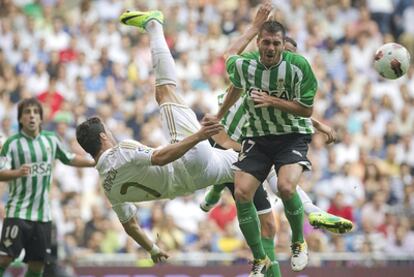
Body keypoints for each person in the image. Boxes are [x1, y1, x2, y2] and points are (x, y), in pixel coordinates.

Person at [76, 10, 233, 265]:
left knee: (252, 162)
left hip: (193, 184)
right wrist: (198, 136)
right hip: (189, 160)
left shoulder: (107, 187)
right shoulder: (120, 151)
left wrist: (152, 248)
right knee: (164, 92)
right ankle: (153, 24)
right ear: (104, 137)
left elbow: (131, 226)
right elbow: (160, 158)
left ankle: (305, 207)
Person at [202, 0, 320, 273]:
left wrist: (272, 101)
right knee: (242, 193)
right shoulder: (247, 66)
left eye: (276, 44)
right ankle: (259, 258)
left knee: (287, 188)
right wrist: (254, 26)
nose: (271, 48)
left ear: (282, 45)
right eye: (265, 42)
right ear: (258, 43)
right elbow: (230, 55)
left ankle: (298, 242)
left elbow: (307, 109)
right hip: (256, 135)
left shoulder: (298, 66)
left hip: (290, 135)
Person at [0, 98, 95, 277]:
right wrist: (16, 173)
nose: (32, 116)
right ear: (20, 119)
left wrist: (93, 162)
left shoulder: (51, 140)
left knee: (37, 264)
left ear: (42, 118)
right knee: (5, 259)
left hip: (43, 215)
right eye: (27, 112)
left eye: (36, 112)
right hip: (17, 212)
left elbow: (69, 158)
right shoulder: (11, 143)